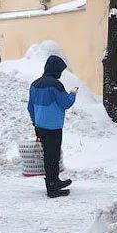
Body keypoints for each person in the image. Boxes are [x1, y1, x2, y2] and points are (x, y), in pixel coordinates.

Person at [27, 55, 78, 198]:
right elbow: (66, 103)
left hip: (40, 126)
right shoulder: (55, 85)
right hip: (53, 127)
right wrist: (73, 94)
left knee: (49, 155)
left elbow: (30, 107)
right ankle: (52, 187)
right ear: (56, 70)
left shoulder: (34, 84)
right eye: (60, 70)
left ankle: (55, 181)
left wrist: (35, 122)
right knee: (52, 156)